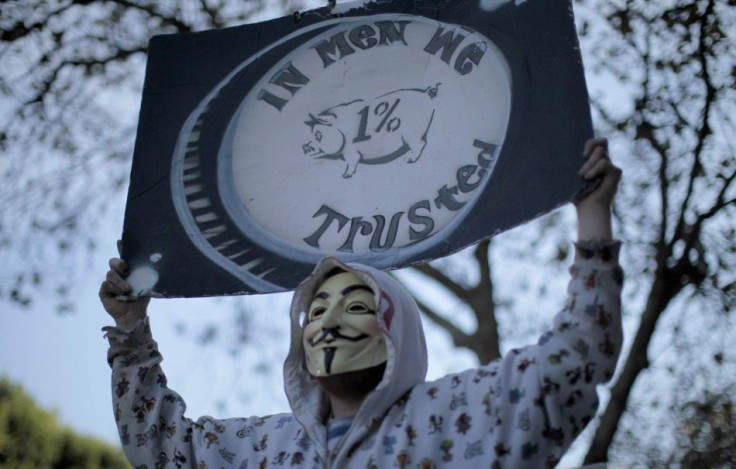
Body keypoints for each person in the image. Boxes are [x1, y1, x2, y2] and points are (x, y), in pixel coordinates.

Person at [100, 138, 623, 468]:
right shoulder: (264, 450)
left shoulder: (459, 418)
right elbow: (163, 449)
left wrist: (593, 216)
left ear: (397, 333)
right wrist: (130, 331)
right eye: (316, 310)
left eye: (354, 306)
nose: (326, 323)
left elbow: (575, 361)